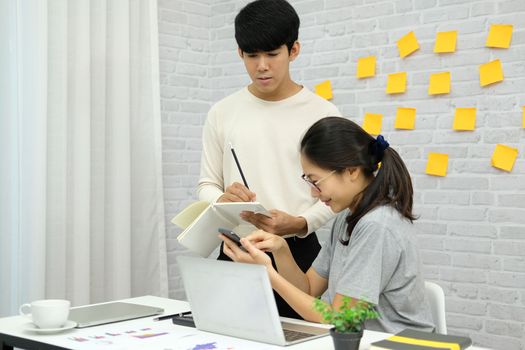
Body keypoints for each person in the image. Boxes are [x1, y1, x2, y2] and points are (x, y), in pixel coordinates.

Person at [220, 117, 435, 333]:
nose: (313, 192)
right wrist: (280, 248)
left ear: (352, 171)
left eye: (316, 181)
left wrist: (267, 273)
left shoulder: (377, 225)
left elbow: (340, 318)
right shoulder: (347, 217)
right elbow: (310, 288)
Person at [197, 0, 340, 318]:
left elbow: (338, 194)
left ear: (294, 50)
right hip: (237, 249)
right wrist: (220, 197)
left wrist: (302, 223)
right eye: (251, 55)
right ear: (240, 54)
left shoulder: (323, 114)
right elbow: (206, 184)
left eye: (272, 54)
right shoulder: (222, 112)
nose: (262, 65)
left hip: (298, 254)